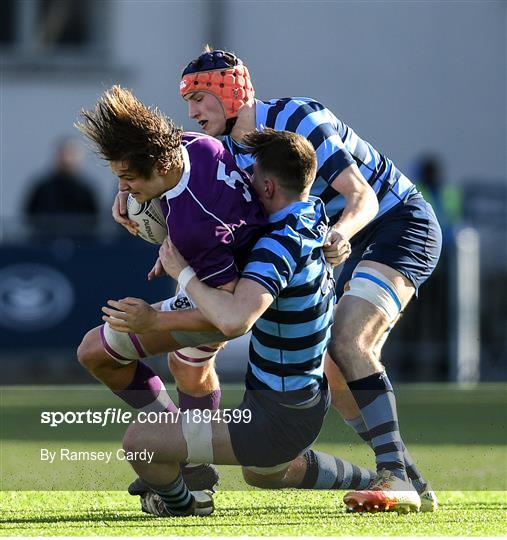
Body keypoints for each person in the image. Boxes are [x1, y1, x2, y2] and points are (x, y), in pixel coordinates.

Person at [174, 48, 443, 513]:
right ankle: (406, 475)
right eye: (188, 103)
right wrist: (129, 191)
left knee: (348, 341)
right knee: (328, 382)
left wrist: (340, 233)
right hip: (333, 244)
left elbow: (361, 197)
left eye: (199, 97)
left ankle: (396, 476)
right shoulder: (230, 155)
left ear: (231, 89)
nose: (193, 112)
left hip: (396, 224)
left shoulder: (299, 116)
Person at [117, 128, 376, 517]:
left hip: (277, 415)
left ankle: (185, 505)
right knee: (264, 474)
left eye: (252, 176)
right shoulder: (313, 216)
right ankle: (372, 480)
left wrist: (178, 279)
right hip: (297, 401)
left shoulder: (278, 243)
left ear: (268, 186)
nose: (245, 183)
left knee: (140, 442)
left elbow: (235, 321)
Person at [75, 84, 267, 490]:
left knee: (105, 352)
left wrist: (151, 320)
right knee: (184, 365)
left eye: (129, 179)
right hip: (229, 271)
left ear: (159, 167)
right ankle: (190, 461)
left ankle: (181, 456)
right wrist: (124, 189)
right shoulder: (193, 145)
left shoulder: (195, 225)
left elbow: (226, 315)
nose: (126, 191)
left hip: (228, 294)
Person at [24, 136, 99, 238]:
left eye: (71, 155)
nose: (67, 160)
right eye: (63, 155)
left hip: (81, 246)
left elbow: (94, 221)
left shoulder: (85, 191)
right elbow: (30, 217)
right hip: (45, 243)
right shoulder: (42, 189)